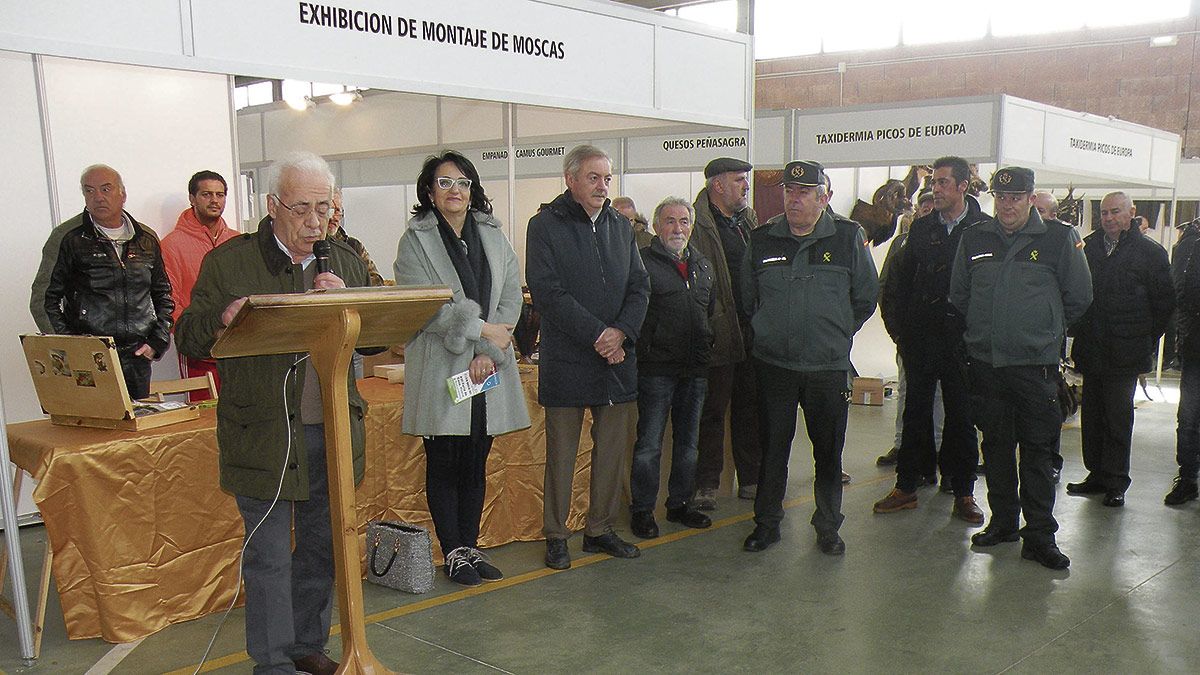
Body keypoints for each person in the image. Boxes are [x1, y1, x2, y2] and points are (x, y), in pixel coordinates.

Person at [175, 151, 369, 675]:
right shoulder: (230, 262)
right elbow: (189, 336)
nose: (314, 222)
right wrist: (225, 317)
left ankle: (307, 643)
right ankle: (273, 663)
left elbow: (374, 344)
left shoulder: (345, 261)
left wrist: (352, 304)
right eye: (301, 208)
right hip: (262, 433)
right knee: (268, 558)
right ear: (272, 205)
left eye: (324, 208)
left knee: (321, 548)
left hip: (330, 430)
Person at [393, 151, 530, 586]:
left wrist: (490, 347)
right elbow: (424, 305)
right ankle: (452, 552)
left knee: (476, 457)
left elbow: (511, 291)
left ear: (473, 191)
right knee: (444, 460)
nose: (456, 191)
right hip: (441, 368)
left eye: (463, 182)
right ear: (430, 193)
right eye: (445, 183)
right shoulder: (414, 239)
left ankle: (470, 546)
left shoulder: (492, 233)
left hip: (487, 365)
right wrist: (483, 329)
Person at [950, 166, 1091, 570]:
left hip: (1035, 369)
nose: (1007, 204)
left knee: (1038, 452)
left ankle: (1040, 536)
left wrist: (1043, 331)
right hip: (988, 366)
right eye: (1001, 196)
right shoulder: (974, 238)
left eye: (1016, 197)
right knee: (995, 448)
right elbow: (960, 295)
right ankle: (1004, 523)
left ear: (1031, 198)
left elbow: (1079, 298)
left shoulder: (1059, 238)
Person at [740, 160, 878, 556]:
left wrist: (835, 333)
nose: (794, 199)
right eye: (789, 191)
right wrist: (769, 328)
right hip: (775, 365)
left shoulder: (848, 238)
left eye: (804, 192)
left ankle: (828, 526)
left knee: (828, 452)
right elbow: (748, 298)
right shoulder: (763, 238)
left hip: (826, 367)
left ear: (824, 197)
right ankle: (766, 524)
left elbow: (865, 298)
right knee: (772, 450)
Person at [526, 144, 650, 570]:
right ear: (571, 179)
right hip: (569, 359)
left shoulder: (621, 226)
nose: (603, 186)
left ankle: (599, 529)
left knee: (612, 451)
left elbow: (640, 287)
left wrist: (621, 333)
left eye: (607, 179)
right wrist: (599, 333)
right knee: (561, 453)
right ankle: (557, 535)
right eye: (594, 178)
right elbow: (547, 292)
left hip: (616, 361)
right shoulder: (544, 225)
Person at [875, 156, 988, 524]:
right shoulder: (921, 230)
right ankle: (906, 486)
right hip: (921, 341)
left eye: (942, 183)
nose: (935, 189)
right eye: (934, 183)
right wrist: (902, 334)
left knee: (961, 417)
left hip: (963, 343)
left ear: (962, 187)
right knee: (915, 413)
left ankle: (964, 492)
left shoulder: (983, 230)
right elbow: (900, 284)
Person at [1065, 192, 1173, 507]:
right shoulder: (1087, 248)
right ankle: (1096, 475)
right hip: (1093, 349)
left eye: (1115, 212)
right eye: (1104, 213)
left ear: (1131, 213)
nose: (1109, 218)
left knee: (1117, 418)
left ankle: (1116, 481)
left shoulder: (1150, 253)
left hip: (1125, 353)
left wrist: (1143, 339)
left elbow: (1164, 304)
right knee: (1093, 417)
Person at [32, 165, 173, 400]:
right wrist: (71, 349)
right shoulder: (67, 237)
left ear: (122, 194)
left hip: (136, 358)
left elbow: (163, 294)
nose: (98, 197)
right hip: (88, 358)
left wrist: (156, 341)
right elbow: (42, 300)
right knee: (92, 432)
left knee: (136, 434)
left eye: (106, 189)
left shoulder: (146, 239)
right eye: (89, 191)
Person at [629, 197, 714, 539]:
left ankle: (680, 504)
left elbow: (709, 311)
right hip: (656, 369)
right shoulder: (644, 264)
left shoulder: (703, 265)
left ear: (691, 227)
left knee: (689, 443)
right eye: (669, 221)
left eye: (683, 221)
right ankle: (642, 510)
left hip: (694, 370)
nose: (677, 228)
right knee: (649, 444)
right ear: (656, 226)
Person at [688, 157, 762, 509]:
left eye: (745, 180)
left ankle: (750, 478)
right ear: (717, 185)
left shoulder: (747, 221)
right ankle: (706, 483)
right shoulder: (695, 224)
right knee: (712, 411)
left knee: (749, 407)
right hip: (716, 330)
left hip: (750, 330)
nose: (746, 186)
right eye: (738, 180)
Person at [877, 189, 942, 473]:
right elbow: (887, 288)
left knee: (940, 396)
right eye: (922, 207)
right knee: (906, 391)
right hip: (909, 337)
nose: (926, 211)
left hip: (943, 337)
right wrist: (897, 331)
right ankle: (902, 444)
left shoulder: (951, 241)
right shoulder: (901, 244)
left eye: (931, 207)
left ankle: (939, 448)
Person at [161, 170, 240, 400]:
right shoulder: (172, 245)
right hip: (198, 351)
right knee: (204, 421)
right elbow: (169, 300)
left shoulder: (238, 241)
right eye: (206, 194)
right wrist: (193, 333)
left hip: (236, 349)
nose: (215, 200)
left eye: (220, 194)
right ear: (192, 198)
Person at [1170, 215, 1200, 506]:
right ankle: (1188, 477)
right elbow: (1183, 293)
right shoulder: (1193, 244)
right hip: (1196, 348)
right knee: (1189, 418)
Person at [329, 190, 386, 286]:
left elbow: (376, 282)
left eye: (338, 211)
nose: (334, 217)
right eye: (330, 210)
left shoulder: (354, 246)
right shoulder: (306, 246)